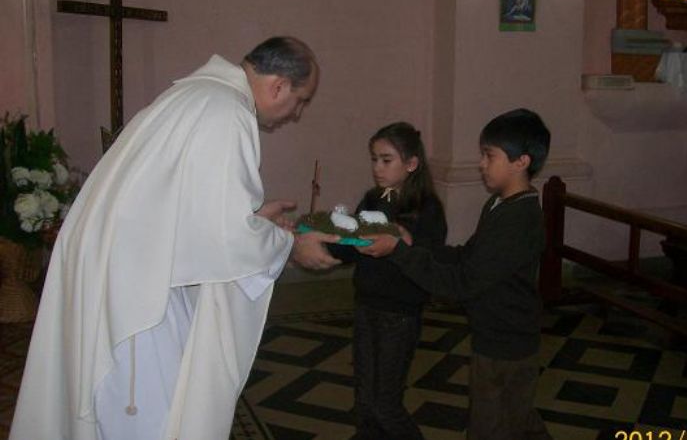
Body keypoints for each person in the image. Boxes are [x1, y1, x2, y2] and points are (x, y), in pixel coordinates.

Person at [10, 36, 341, 440]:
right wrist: (290, 245)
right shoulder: (226, 113)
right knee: (152, 417)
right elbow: (225, 236)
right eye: (301, 100)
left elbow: (182, 210)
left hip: (126, 275)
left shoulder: (192, 97)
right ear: (279, 86)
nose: (297, 113)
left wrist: (253, 219)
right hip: (139, 299)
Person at [358, 108, 553, 440]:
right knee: (516, 420)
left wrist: (400, 252)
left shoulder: (518, 220)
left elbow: (461, 284)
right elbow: (467, 256)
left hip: (506, 345)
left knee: (494, 427)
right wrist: (413, 245)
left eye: (489, 156)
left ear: (521, 161)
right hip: (495, 338)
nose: (481, 163)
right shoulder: (500, 205)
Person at [328, 122, 446, 440]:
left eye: (386, 160)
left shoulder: (427, 208)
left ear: (411, 164)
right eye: (374, 159)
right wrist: (323, 242)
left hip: (400, 314)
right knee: (365, 401)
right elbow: (352, 245)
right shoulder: (372, 199)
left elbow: (430, 259)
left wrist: (405, 240)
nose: (377, 168)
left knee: (385, 405)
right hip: (366, 305)